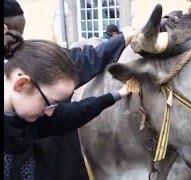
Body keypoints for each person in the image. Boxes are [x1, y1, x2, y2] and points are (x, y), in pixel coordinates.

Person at [4, 0, 137, 179]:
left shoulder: (33, 113)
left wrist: (117, 94)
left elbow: (73, 112)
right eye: (50, 103)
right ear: (22, 84)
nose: (51, 112)